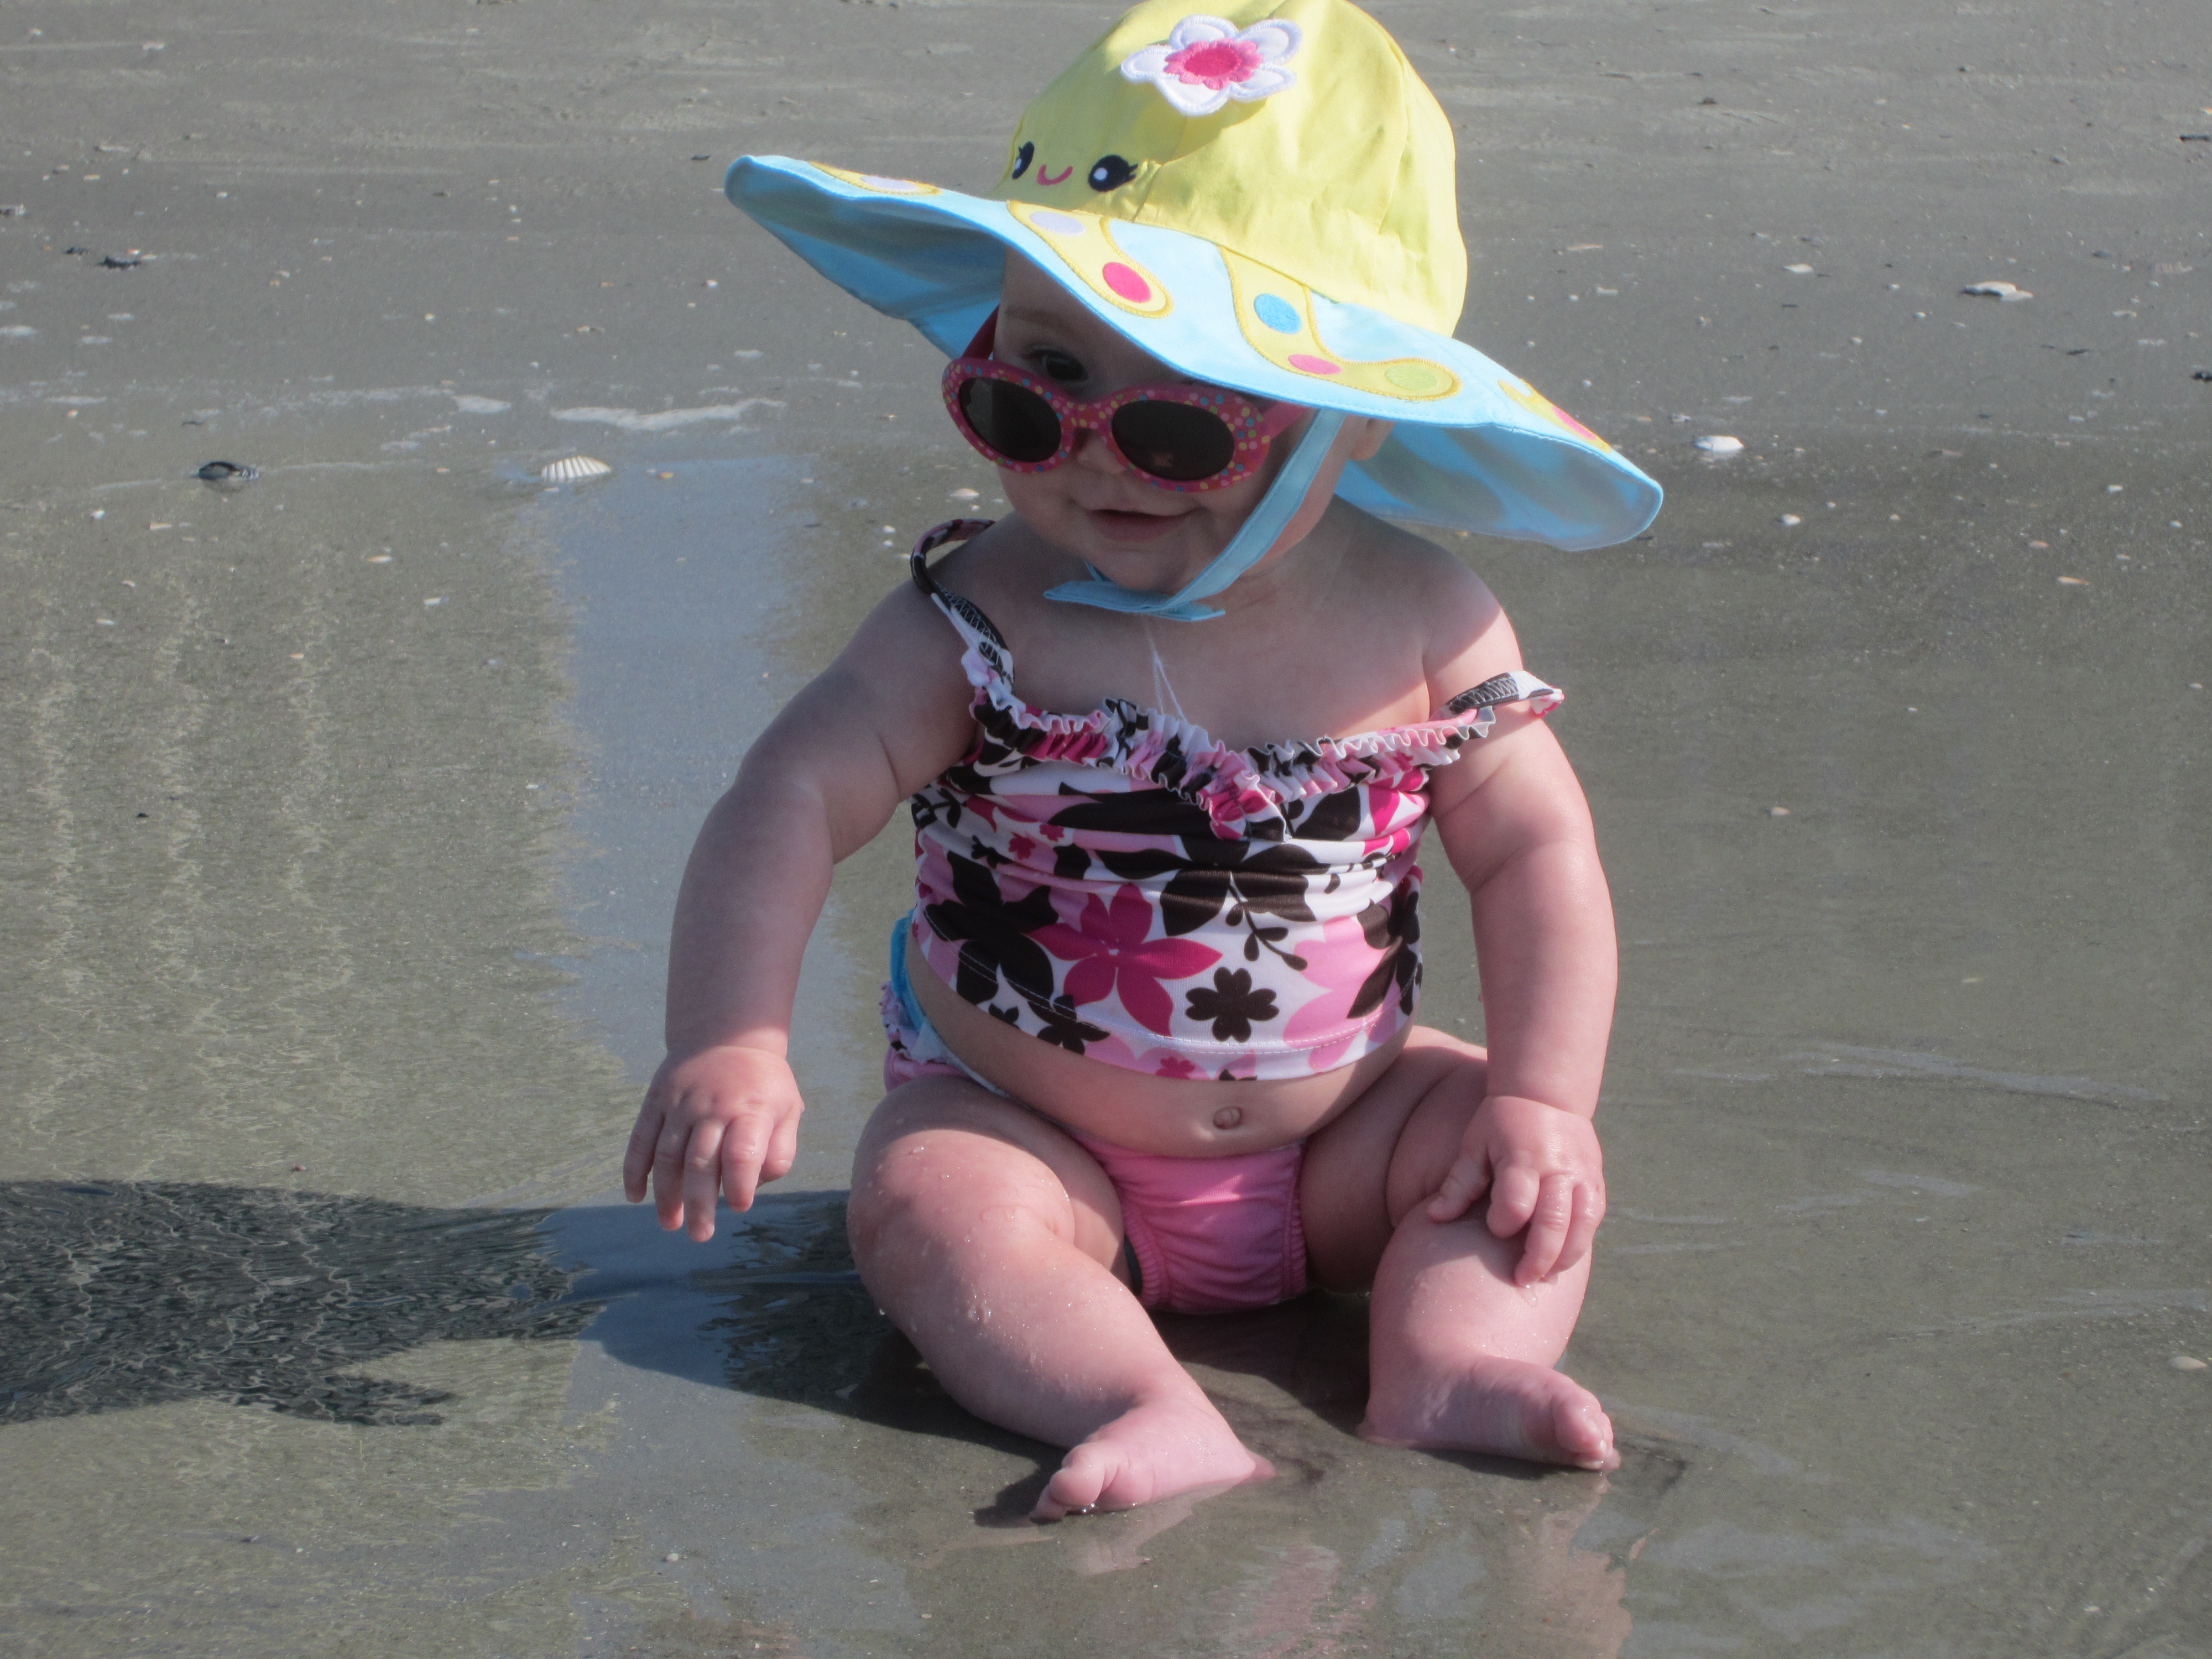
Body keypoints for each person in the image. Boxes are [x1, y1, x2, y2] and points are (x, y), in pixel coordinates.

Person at [623, 0, 1662, 1520]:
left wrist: (1547, 1100)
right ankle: (1136, 1400)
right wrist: (729, 1039)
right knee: (924, 1202)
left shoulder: (1428, 620)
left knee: (1500, 1169)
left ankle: (1454, 1363)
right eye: (1033, 391)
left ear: (1356, 418)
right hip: (1039, 1139)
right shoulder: (977, 620)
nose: (1099, 453)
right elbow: (790, 795)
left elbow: (1535, 853)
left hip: (1349, 1140)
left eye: (1177, 424)